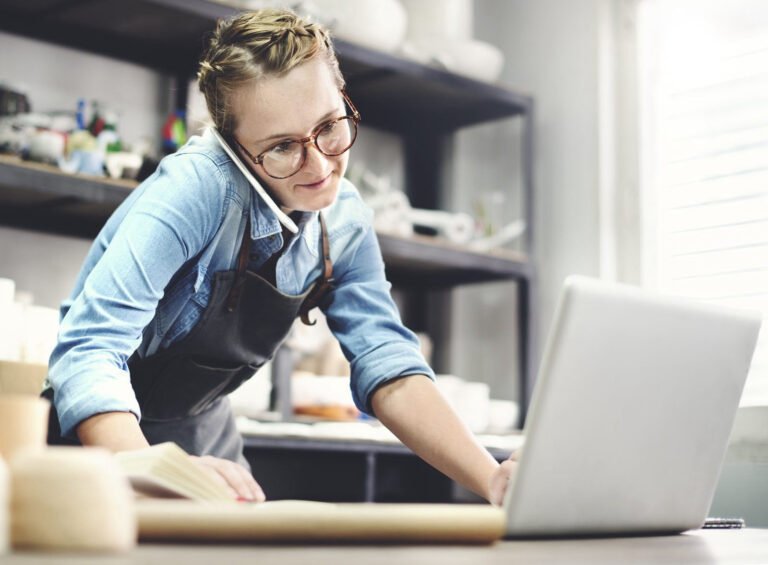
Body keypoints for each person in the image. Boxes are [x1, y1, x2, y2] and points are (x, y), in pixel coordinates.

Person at [43, 8, 517, 505]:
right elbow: (89, 347)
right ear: (233, 146)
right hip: (100, 448)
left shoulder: (344, 221)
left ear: (343, 96)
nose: (319, 165)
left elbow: (389, 366)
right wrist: (148, 470)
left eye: (330, 126)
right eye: (283, 147)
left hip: (203, 439)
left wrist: (492, 480)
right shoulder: (196, 188)